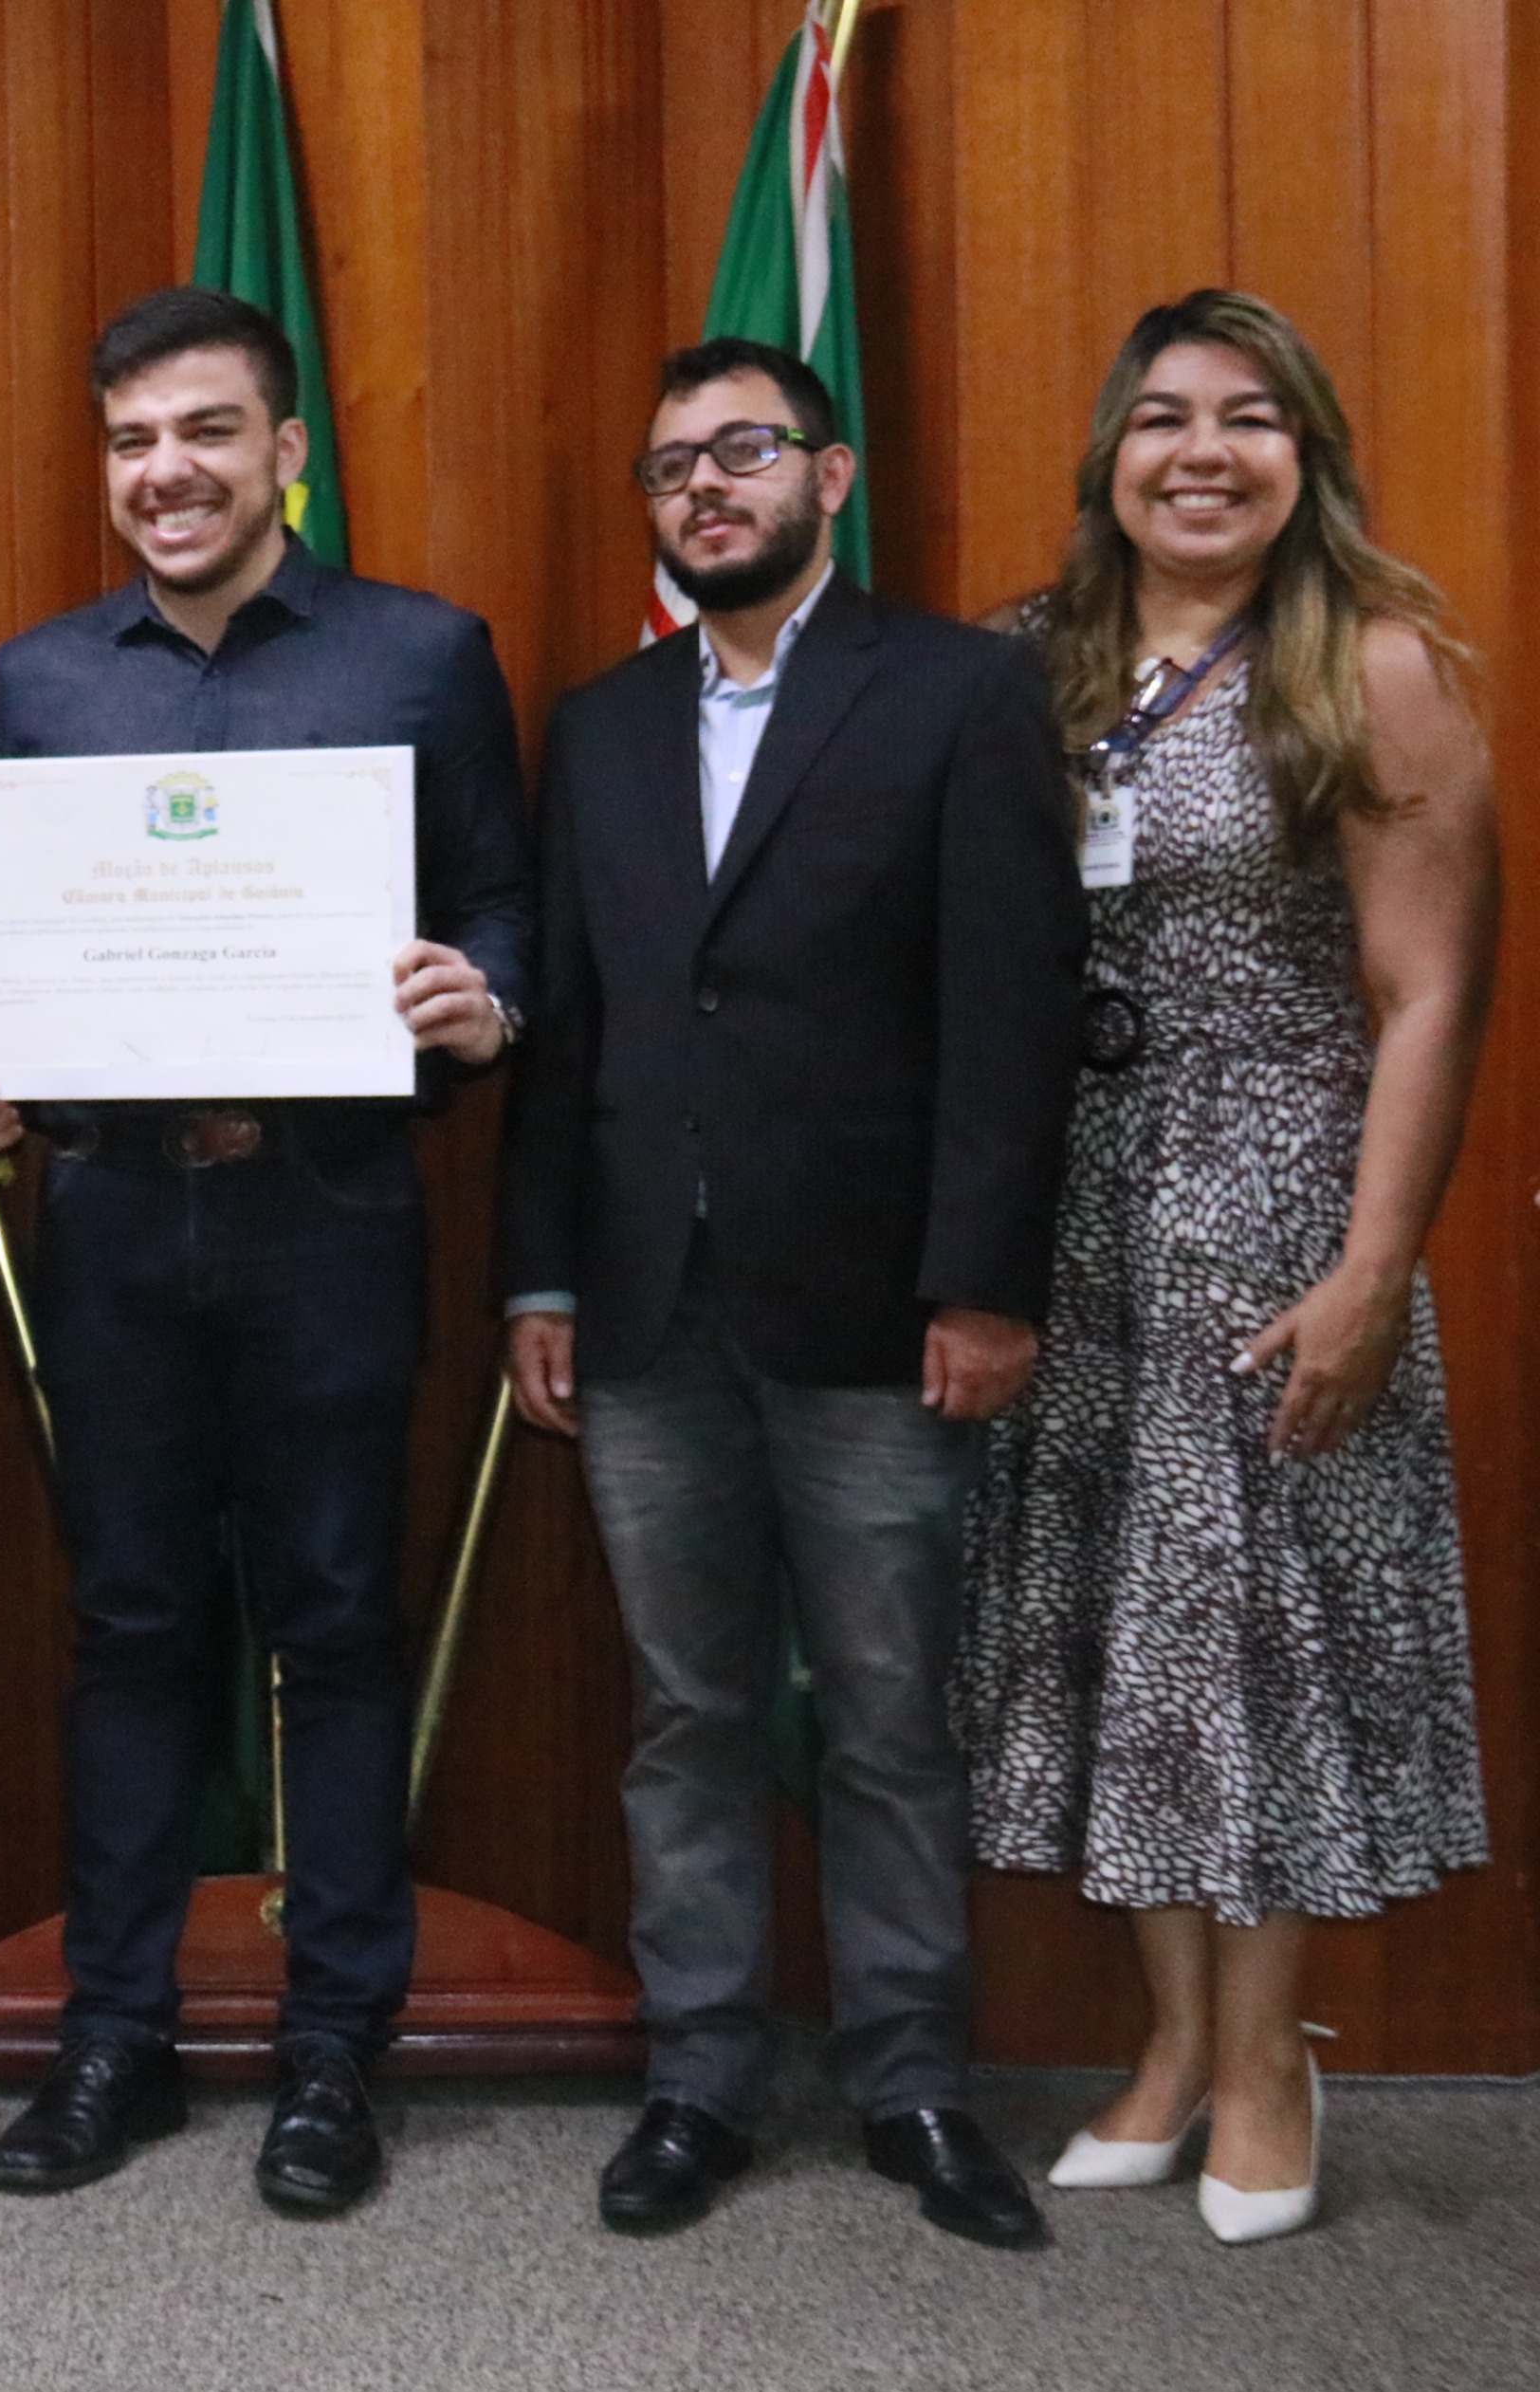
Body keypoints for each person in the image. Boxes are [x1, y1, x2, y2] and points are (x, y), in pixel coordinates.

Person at [0, 285, 530, 2217]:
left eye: (203, 432)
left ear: (285, 451)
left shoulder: (421, 654)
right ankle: (114, 2033)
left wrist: (484, 997)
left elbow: (505, 903)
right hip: (111, 1217)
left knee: (334, 1625)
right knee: (128, 1628)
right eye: (130, 441)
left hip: (328, 1213)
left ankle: (332, 2049)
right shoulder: (37, 681)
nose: (164, 472)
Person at [496, 337, 1082, 2249]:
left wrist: (982, 1285)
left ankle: (912, 2080)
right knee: (687, 1710)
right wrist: (538, 1273)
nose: (706, 486)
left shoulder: (958, 693)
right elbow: (571, 1029)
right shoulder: (599, 723)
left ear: (827, 477)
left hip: (876, 1307)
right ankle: (699, 2075)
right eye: (673, 464)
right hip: (643, 1307)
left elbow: (1011, 1016)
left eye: (744, 450)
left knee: (890, 1711)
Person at [957, 291, 1496, 2246]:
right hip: (1074, 1214)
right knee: (1129, 1646)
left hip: (1270, 1210)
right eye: (1164, 416)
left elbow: (1428, 994)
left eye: (1250, 417)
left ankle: (1271, 2061)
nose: (1203, 451)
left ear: (1307, 455)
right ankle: (1174, 2046)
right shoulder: (1029, 662)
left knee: (1248, 1643)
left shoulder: (1369, 664)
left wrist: (1371, 1268)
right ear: (1109, 452)